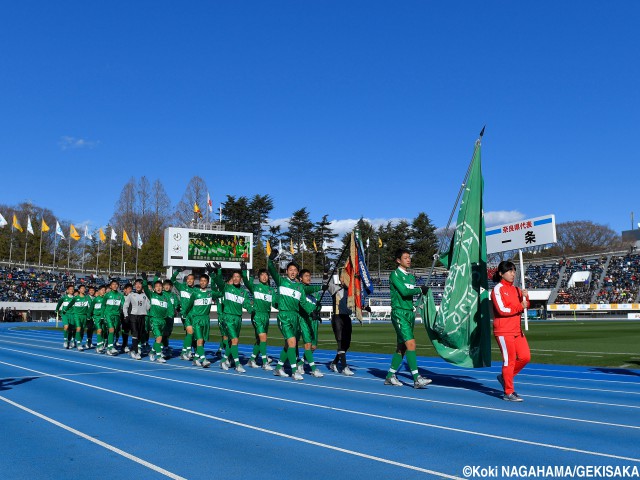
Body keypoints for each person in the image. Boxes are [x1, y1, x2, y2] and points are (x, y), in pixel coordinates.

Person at [267, 250, 319, 381]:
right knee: (292, 342)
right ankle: (295, 371)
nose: (293, 272)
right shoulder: (281, 281)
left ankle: (278, 368)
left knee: (288, 345)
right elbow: (272, 271)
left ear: (297, 272)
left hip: (295, 317)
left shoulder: (300, 287)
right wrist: (270, 260)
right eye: (290, 269)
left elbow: (303, 303)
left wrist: (312, 312)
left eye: (295, 270)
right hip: (284, 316)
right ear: (286, 271)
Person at [384, 249, 432, 389]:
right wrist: (419, 290)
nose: (409, 260)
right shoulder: (394, 275)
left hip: (409, 313)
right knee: (411, 344)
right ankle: (417, 378)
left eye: (409, 257)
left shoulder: (411, 277)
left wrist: (419, 300)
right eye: (405, 258)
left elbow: (411, 297)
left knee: (402, 348)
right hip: (399, 313)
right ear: (398, 260)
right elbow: (405, 292)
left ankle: (389, 376)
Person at [491, 260, 531, 402]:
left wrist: (526, 296)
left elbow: (526, 305)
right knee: (510, 361)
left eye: (514, 270)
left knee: (525, 357)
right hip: (503, 330)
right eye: (510, 271)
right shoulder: (498, 289)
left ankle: (505, 377)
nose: (513, 273)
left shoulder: (516, 289)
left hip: (517, 330)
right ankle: (508, 392)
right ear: (501, 274)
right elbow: (502, 310)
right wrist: (520, 306)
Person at [210, 262, 253, 373]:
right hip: (227, 318)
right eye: (234, 277)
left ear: (241, 279)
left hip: (238, 319)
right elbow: (219, 281)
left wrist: (252, 310)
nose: (236, 278)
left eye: (238, 277)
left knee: (233, 342)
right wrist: (215, 272)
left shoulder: (243, 292)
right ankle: (238, 364)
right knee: (234, 340)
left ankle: (224, 360)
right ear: (232, 278)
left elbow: (247, 304)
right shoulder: (226, 288)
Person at [182, 271, 223, 368]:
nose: (203, 282)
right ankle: (204, 359)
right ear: (199, 282)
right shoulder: (195, 293)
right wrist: (184, 314)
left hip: (206, 320)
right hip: (196, 320)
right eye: (201, 281)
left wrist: (217, 274)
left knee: (203, 341)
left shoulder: (210, 293)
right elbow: (189, 306)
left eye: (205, 281)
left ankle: (196, 359)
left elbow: (222, 292)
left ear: (208, 282)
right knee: (199, 340)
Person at [241, 264, 275, 370]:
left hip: (266, 316)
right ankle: (265, 362)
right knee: (263, 337)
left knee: (260, 340)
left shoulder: (271, 290)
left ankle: (251, 360)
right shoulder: (255, 287)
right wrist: (244, 272)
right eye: (262, 275)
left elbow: (275, 303)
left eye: (266, 275)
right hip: (257, 316)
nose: (264, 277)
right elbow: (247, 283)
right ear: (259, 277)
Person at [297, 269, 324, 377]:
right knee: (307, 344)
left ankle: (300, 363)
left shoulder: (315, 293)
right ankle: (313, 369)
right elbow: (306, 291)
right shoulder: (301, 288)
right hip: (304, 320)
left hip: (313, 321)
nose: (308, 278)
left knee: (313, 346)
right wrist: (321, 286)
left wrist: (318, 309)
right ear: (300, 278)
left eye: (309, 276)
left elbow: (317, 306)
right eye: (306, 276)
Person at [328, 277, 355, 375]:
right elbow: (326, 282)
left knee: (346, 344)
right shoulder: (335, 289)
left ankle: (334, 363)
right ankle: (344, 367)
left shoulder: (351, 291)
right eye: (343, 279)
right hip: (338, 317)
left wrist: (365, 307)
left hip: (347, 318)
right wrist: (327, 272)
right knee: (340, 342)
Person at [142, 274, 170, 363]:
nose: (158, 288)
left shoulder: (165, 297)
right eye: (156, 286)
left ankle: (152, 352)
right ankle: (158, 356)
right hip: (154, 320)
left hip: (163, 320)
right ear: (154, 288)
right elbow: (145, 288)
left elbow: (168, 309)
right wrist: (145, 280)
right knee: (159, 337)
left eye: (160, 286)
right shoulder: (152, 295)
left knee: (159, 339)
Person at [171, 268, 198, 360]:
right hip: (185, 314)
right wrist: (177, 271)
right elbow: (172, 280)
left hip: (193, 314)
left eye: (191, 279)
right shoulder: (182, 287)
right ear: (186, 280)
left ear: (194, 280)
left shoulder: (196, 290)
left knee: (190, 333)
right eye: (188, 279)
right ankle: (188, 350)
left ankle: (184, 352)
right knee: (190, 332)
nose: (190, 281)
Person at [123, 279, 149, 360]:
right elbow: (125, 306)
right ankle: (136, 351)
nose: (138, 286)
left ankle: (134, 349)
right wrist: (126, 315)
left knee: (140, 334)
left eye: (139, 284)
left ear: (142, 286)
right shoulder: (131, 295)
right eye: (136, 284)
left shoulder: (146, 295)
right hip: (133, 316)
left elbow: (148, 306)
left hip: (142, 316)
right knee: (135, 333)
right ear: (135, 286)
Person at [62, 285, 91, 351]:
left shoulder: (87, 298)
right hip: (77, 315)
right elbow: (70, 304)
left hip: (84, 316)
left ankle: (77, 341)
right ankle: (78, 344)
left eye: (84, 288)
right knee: (78, 328)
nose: (83, 289)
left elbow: (90, 306)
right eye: (82, 288)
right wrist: (65, 310)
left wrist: (89, 314)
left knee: (82, 330)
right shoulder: (75, 298)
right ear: (79, 290)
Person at [103, 279, 125, 356]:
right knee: (111, 330)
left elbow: (124, 305)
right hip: (108, 315)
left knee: (114, 331)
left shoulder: (120, 296)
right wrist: (103, 315)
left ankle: (109, 346)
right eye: (113, 284)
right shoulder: (107, 295)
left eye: (116, 284)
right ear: (110, 286)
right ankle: (110, 347)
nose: (115, 286)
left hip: (117, 316)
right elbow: (103, 305)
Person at [163, 278, 180, 359]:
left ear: (171, 287)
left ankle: (164, 347)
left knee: (168, 333)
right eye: (165, 285)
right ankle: (164, 348)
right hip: (163, 318)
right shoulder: (161, 294)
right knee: (163, 333)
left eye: (168, 285)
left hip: (171, 317)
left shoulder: (173, 295)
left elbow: (177, 304)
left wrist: (177, 309)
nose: (167, 287)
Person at [55, 284, 76, 349]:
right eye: (70, 289)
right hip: (65, 314)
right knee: (66, 326)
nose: (71, 290)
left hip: (72, 315)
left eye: (72, 289)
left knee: (71, 329)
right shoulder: (64, 297)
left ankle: (71, 340)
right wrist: (57, 309)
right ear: (67, 290)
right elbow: (59, 303)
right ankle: (65, 341)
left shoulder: (75, 298)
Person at [90, 285, 106, 352]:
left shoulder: (106, 299)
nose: (103, 291)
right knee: (99, 330)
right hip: (96, 317)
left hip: (104, 317)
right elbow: (91, 308)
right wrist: (90, 316)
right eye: (102, 290)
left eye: (104, 290)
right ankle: (99, 346)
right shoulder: (95, 299)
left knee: (103, 330)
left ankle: (101, 344)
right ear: (99, 291)